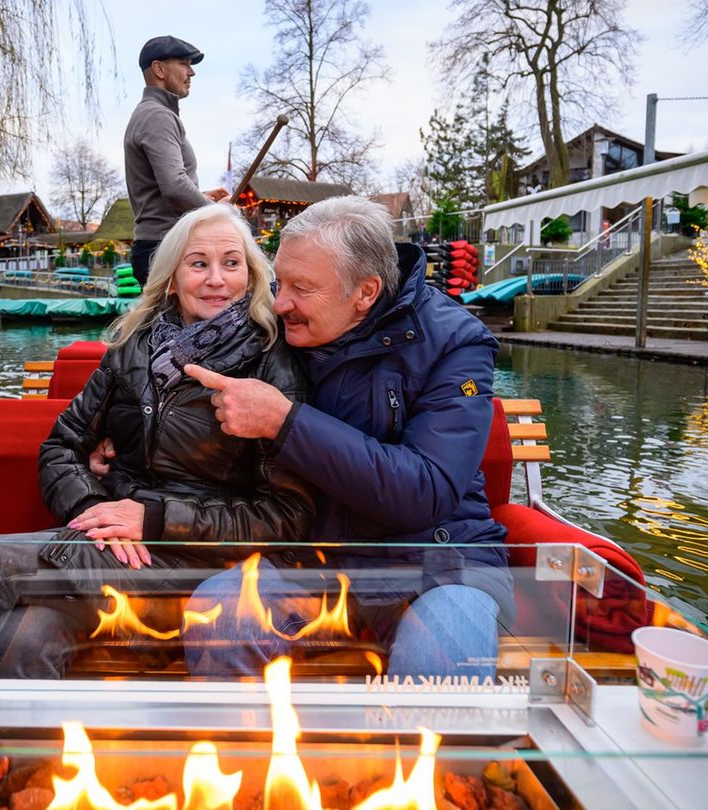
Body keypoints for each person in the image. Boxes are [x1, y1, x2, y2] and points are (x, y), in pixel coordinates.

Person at [0, 203, 315, 678]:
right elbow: (62, 446)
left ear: (252, 274)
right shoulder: (135, 348)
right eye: (199, 264)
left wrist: (154, 519)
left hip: (205, 566)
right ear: (172, 278)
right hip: (118, 556)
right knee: (24, 638)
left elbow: (288, 514)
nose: (217, 279)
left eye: (231, 263)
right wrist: (94, 514)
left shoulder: (272, 363)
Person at [178, 196, 513, 679]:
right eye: (278, 282)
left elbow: (427, 491)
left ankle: (434, 756)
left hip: (439, 565)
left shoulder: (457, 343)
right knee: (219, 613)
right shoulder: (276, 328)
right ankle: (248, 753)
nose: (279, 302)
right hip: (309, 562)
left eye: (301, 287)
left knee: (444, 657)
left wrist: (284, 422)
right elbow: (171, 361)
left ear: (366, 292)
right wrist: (117, 439)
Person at [124, 35, 228, 286]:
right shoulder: (157, 116)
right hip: (164, 248)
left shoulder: (152, 114)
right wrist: (218, 214)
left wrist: (202, 196)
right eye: (183, 63)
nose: (191, 72)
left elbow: (164, 187)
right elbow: (174, 186)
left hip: (160, 246)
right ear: (159, 69)